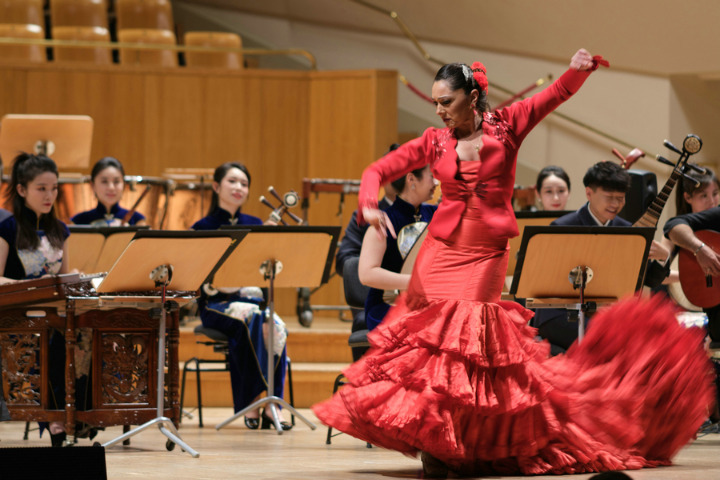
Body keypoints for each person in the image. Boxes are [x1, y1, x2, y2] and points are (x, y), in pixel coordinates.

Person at [313, 49, 714, 477]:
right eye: (435, 102)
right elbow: (376, 171)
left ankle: (465, 444)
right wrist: (369, 204)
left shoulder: (509, 125)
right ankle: (442, 442)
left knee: (468, 335)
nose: (439, 110)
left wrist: (577, 71)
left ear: (472, 97)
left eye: (446, 101)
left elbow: (554, 95)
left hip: (486, 251)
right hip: (442, 251)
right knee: (435, 347)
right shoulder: (433, 140)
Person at [191, 162, 291, 430]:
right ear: (216, 186)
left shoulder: (256, 224)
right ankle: (256, 402)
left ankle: (271, 404)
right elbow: (199, 279)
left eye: (244, 184)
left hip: (252, 303)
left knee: (275, 324)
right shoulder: (202, 227)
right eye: (232, 181)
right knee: (254, 320)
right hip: (216, 305)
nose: (238, 188)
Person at [0, 153, 75, 446]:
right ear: (21, 189)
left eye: (54, 188)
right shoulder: (8, 228)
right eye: (41, 188)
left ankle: (76, 414)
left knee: (82, 338)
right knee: (51, 341)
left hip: (52, 315)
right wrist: (31, 286)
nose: (49, 196)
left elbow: (64, 278)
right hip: (16, 316)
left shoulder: (60, 230)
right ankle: (56, 419)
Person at [534, 161, 632, 353]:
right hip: (560, 314)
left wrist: (662, 258)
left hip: (603, 314)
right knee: (612, 343)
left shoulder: (627, 230)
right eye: (609, 197)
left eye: (620, 198)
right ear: (589, 193)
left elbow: (647, 278)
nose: (615, 204)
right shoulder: (562, 227)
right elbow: (549, 283)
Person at [336, 144, 401, 360]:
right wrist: (375, 269)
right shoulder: (366, 217)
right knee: (365, 320)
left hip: (415, 300)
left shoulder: (426, 215)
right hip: (376, 299)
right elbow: (345, 259)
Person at [359, 164, 437, 331]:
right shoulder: (383, 221)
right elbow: (366, 274)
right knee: (429, 328)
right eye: (431, 176)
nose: (436, 183)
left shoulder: (436, 214)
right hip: (387, 306)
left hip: (426, 304)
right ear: (411, 179)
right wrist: (414, 283)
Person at [70, 157, 147, 226]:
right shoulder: (77, 221)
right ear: (92, 185)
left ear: (124, 185)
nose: (111, 187)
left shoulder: (137, 220)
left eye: (116, 182)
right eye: (104, 181)